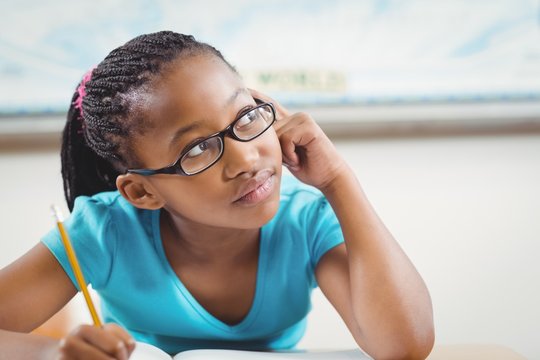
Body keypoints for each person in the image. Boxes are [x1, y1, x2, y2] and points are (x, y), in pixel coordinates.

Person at [0, 31, 434, 359]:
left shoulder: (305, 221)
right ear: (142, 191)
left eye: (246, 117)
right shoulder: (104, 231)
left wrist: (338, 179)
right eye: (199, 148)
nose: (246, 159)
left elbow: (405, 345)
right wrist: (51, 353)